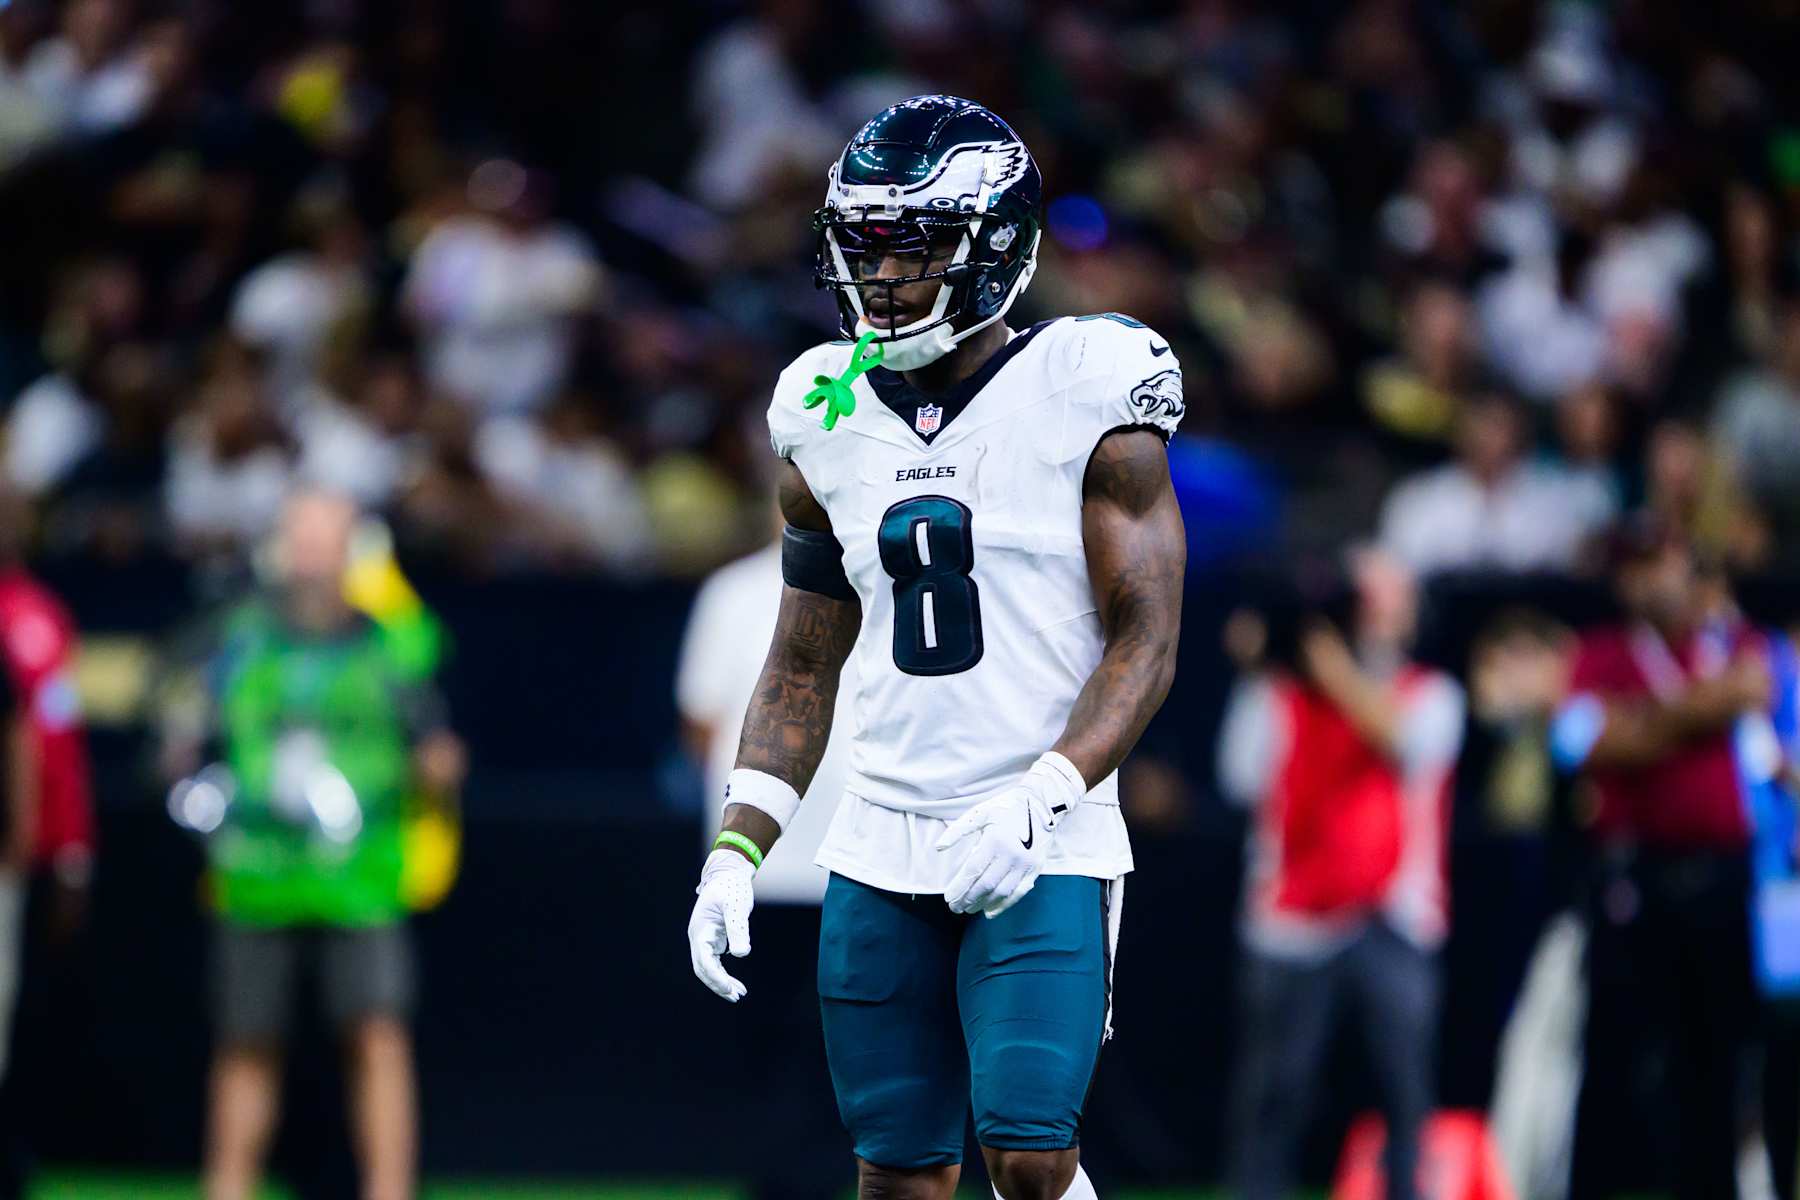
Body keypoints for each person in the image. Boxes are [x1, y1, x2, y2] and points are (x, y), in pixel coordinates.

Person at [683, 96, 1187, 1200]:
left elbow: (1147, 638)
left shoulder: (1089, 383)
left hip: (1042, 833)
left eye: (911, 249)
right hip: (878, 837)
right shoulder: (822, 412)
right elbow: (804, 658)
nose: (880, 279)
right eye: (862, 248)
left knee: (1027, 1157)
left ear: (996, 247)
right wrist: (739, 845)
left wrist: (1046, 790)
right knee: (898, 1176)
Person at [178, 490, 465, 1200]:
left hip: (361, 875)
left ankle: (389, 1190)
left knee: (377, 1036)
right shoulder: (237, 638)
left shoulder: (391, 645)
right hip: (258, 872)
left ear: (352, 552)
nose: (312, 558)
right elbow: (184, 729)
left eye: (326, 542)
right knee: (247, 1042)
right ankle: (228, 1187)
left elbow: (434, 743)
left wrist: (438, 770)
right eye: (301, 541)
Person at [1217, 549, 1464, 1200]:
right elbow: (1239, 776)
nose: (1377, 611)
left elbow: (1404, 740)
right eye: (1366, 597)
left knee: (1405, 1094)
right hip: (1291, 919)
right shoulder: (1278, 695)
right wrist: (1267, 665)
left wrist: (1327, 666)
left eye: (1392, 597)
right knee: (1274, 1096)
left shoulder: (1433, 694)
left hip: (1396, 916)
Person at [1551, 519, 1771, 1199]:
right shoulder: (1597, 654)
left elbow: (1755, 689)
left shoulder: (1731, 644)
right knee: (1613, 1056)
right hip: (1632, 876)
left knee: (1715, 1060)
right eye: (1637, 567)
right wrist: (1699, 712)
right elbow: (1585, 744)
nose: (1652, 580)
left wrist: (1643, 723)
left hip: (1722, 879)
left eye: (1663, 562)